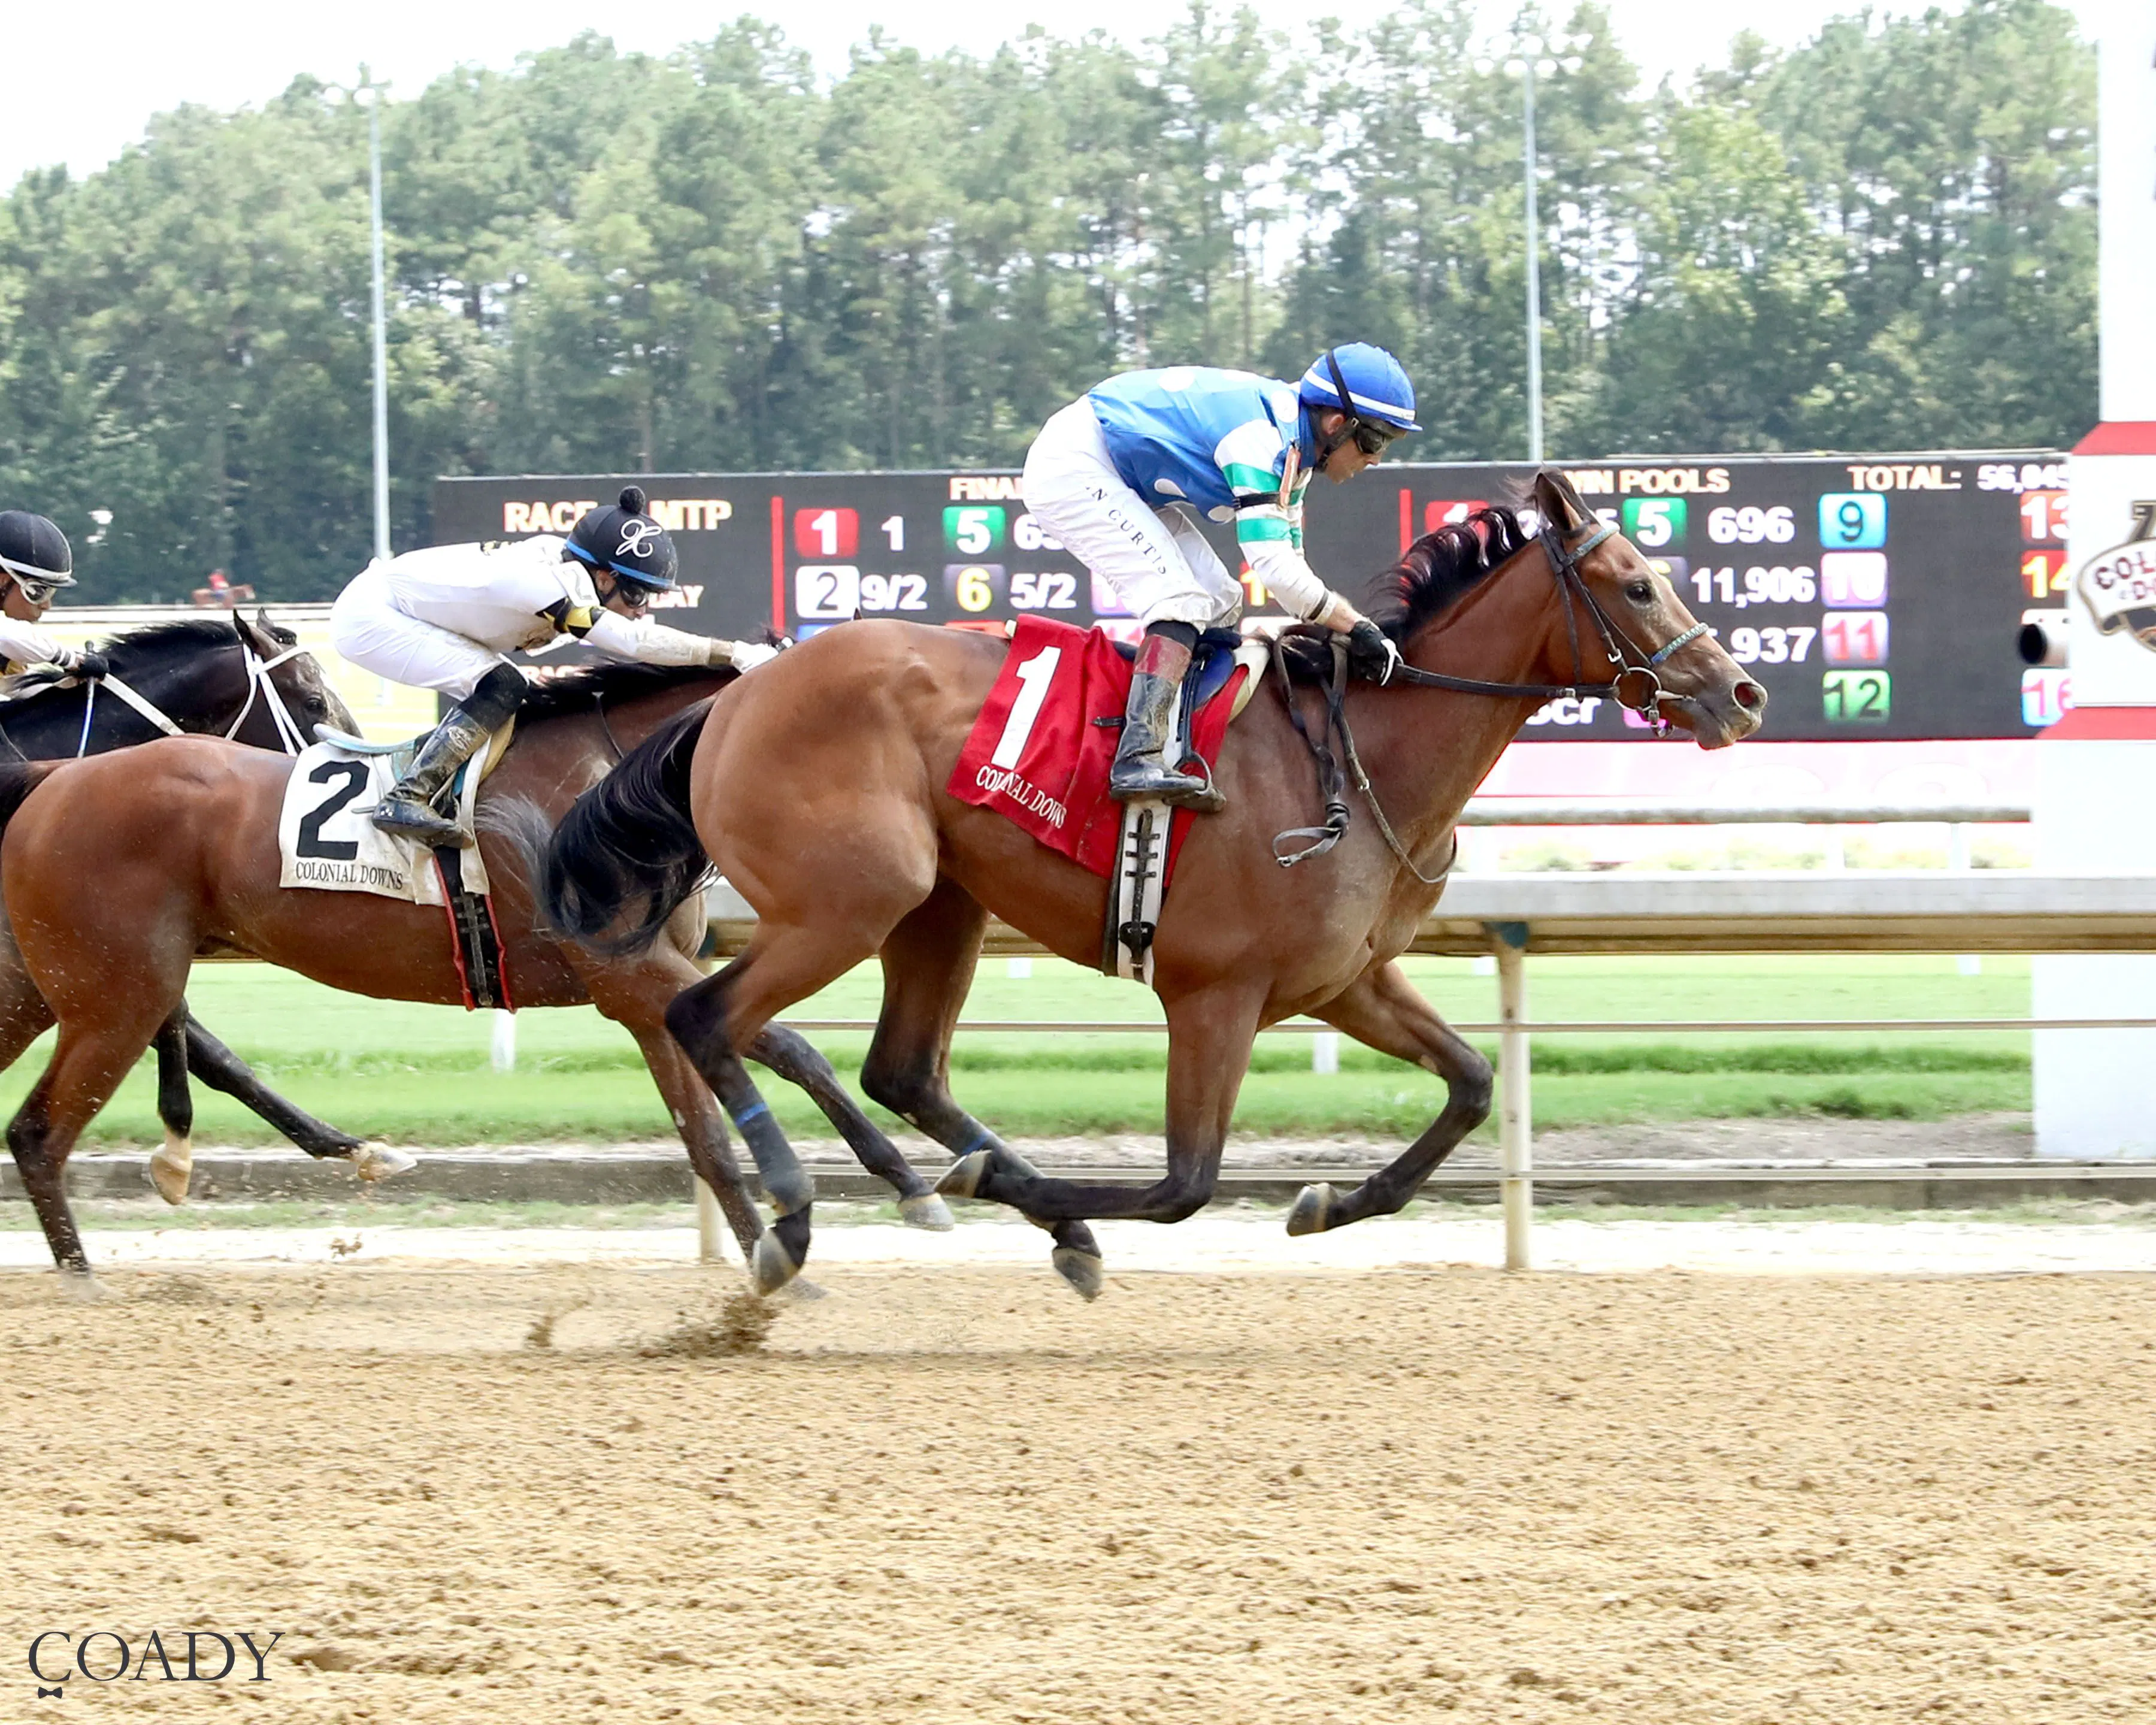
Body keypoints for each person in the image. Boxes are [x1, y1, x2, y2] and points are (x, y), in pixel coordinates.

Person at [1021, 344, 1418, 812]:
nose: (1376, 460)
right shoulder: (1264, 440)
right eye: (1374, 441)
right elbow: (1275, 570)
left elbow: (1293, 569)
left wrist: (1342, 627)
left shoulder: (1296, 451)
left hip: (1113, 469)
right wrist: (1357, 626)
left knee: (1221, 599)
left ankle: (1186, 743)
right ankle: (1137, 755)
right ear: (1337, 423)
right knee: (1180, 602)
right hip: (1075, 464)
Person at [331, 486, 778, 846]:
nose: (641, 609)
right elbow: (632, 642)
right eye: (637, 594)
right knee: (503, 685)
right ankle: (407, 796)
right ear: (603, 577)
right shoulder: (540, 583)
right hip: (372, 615)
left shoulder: (567, 567)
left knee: (510, 692)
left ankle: (449, 794)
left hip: (401, 608)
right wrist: (735, 653)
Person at [0, 510, 108, 682]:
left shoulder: (11, 655)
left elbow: (15, 691)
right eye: (38, 591)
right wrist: (74, 660)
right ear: (3, 581)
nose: (46, 605)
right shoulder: (9, 636)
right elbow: (7, 635)